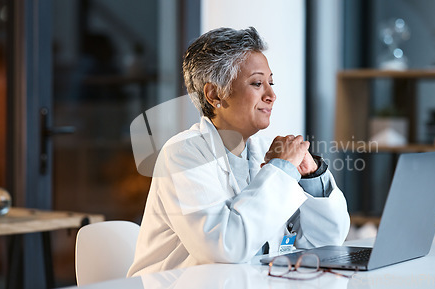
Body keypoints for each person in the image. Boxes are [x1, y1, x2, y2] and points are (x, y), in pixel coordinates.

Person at [127, 27, 350, 277]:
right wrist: (282, 170)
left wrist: (312, 176)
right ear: (215, 95)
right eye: (257, 83)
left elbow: (326, 241)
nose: (272, 95)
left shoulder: (267, 151)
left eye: (271, 82)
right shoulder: (183, 153)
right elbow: (224, 248)